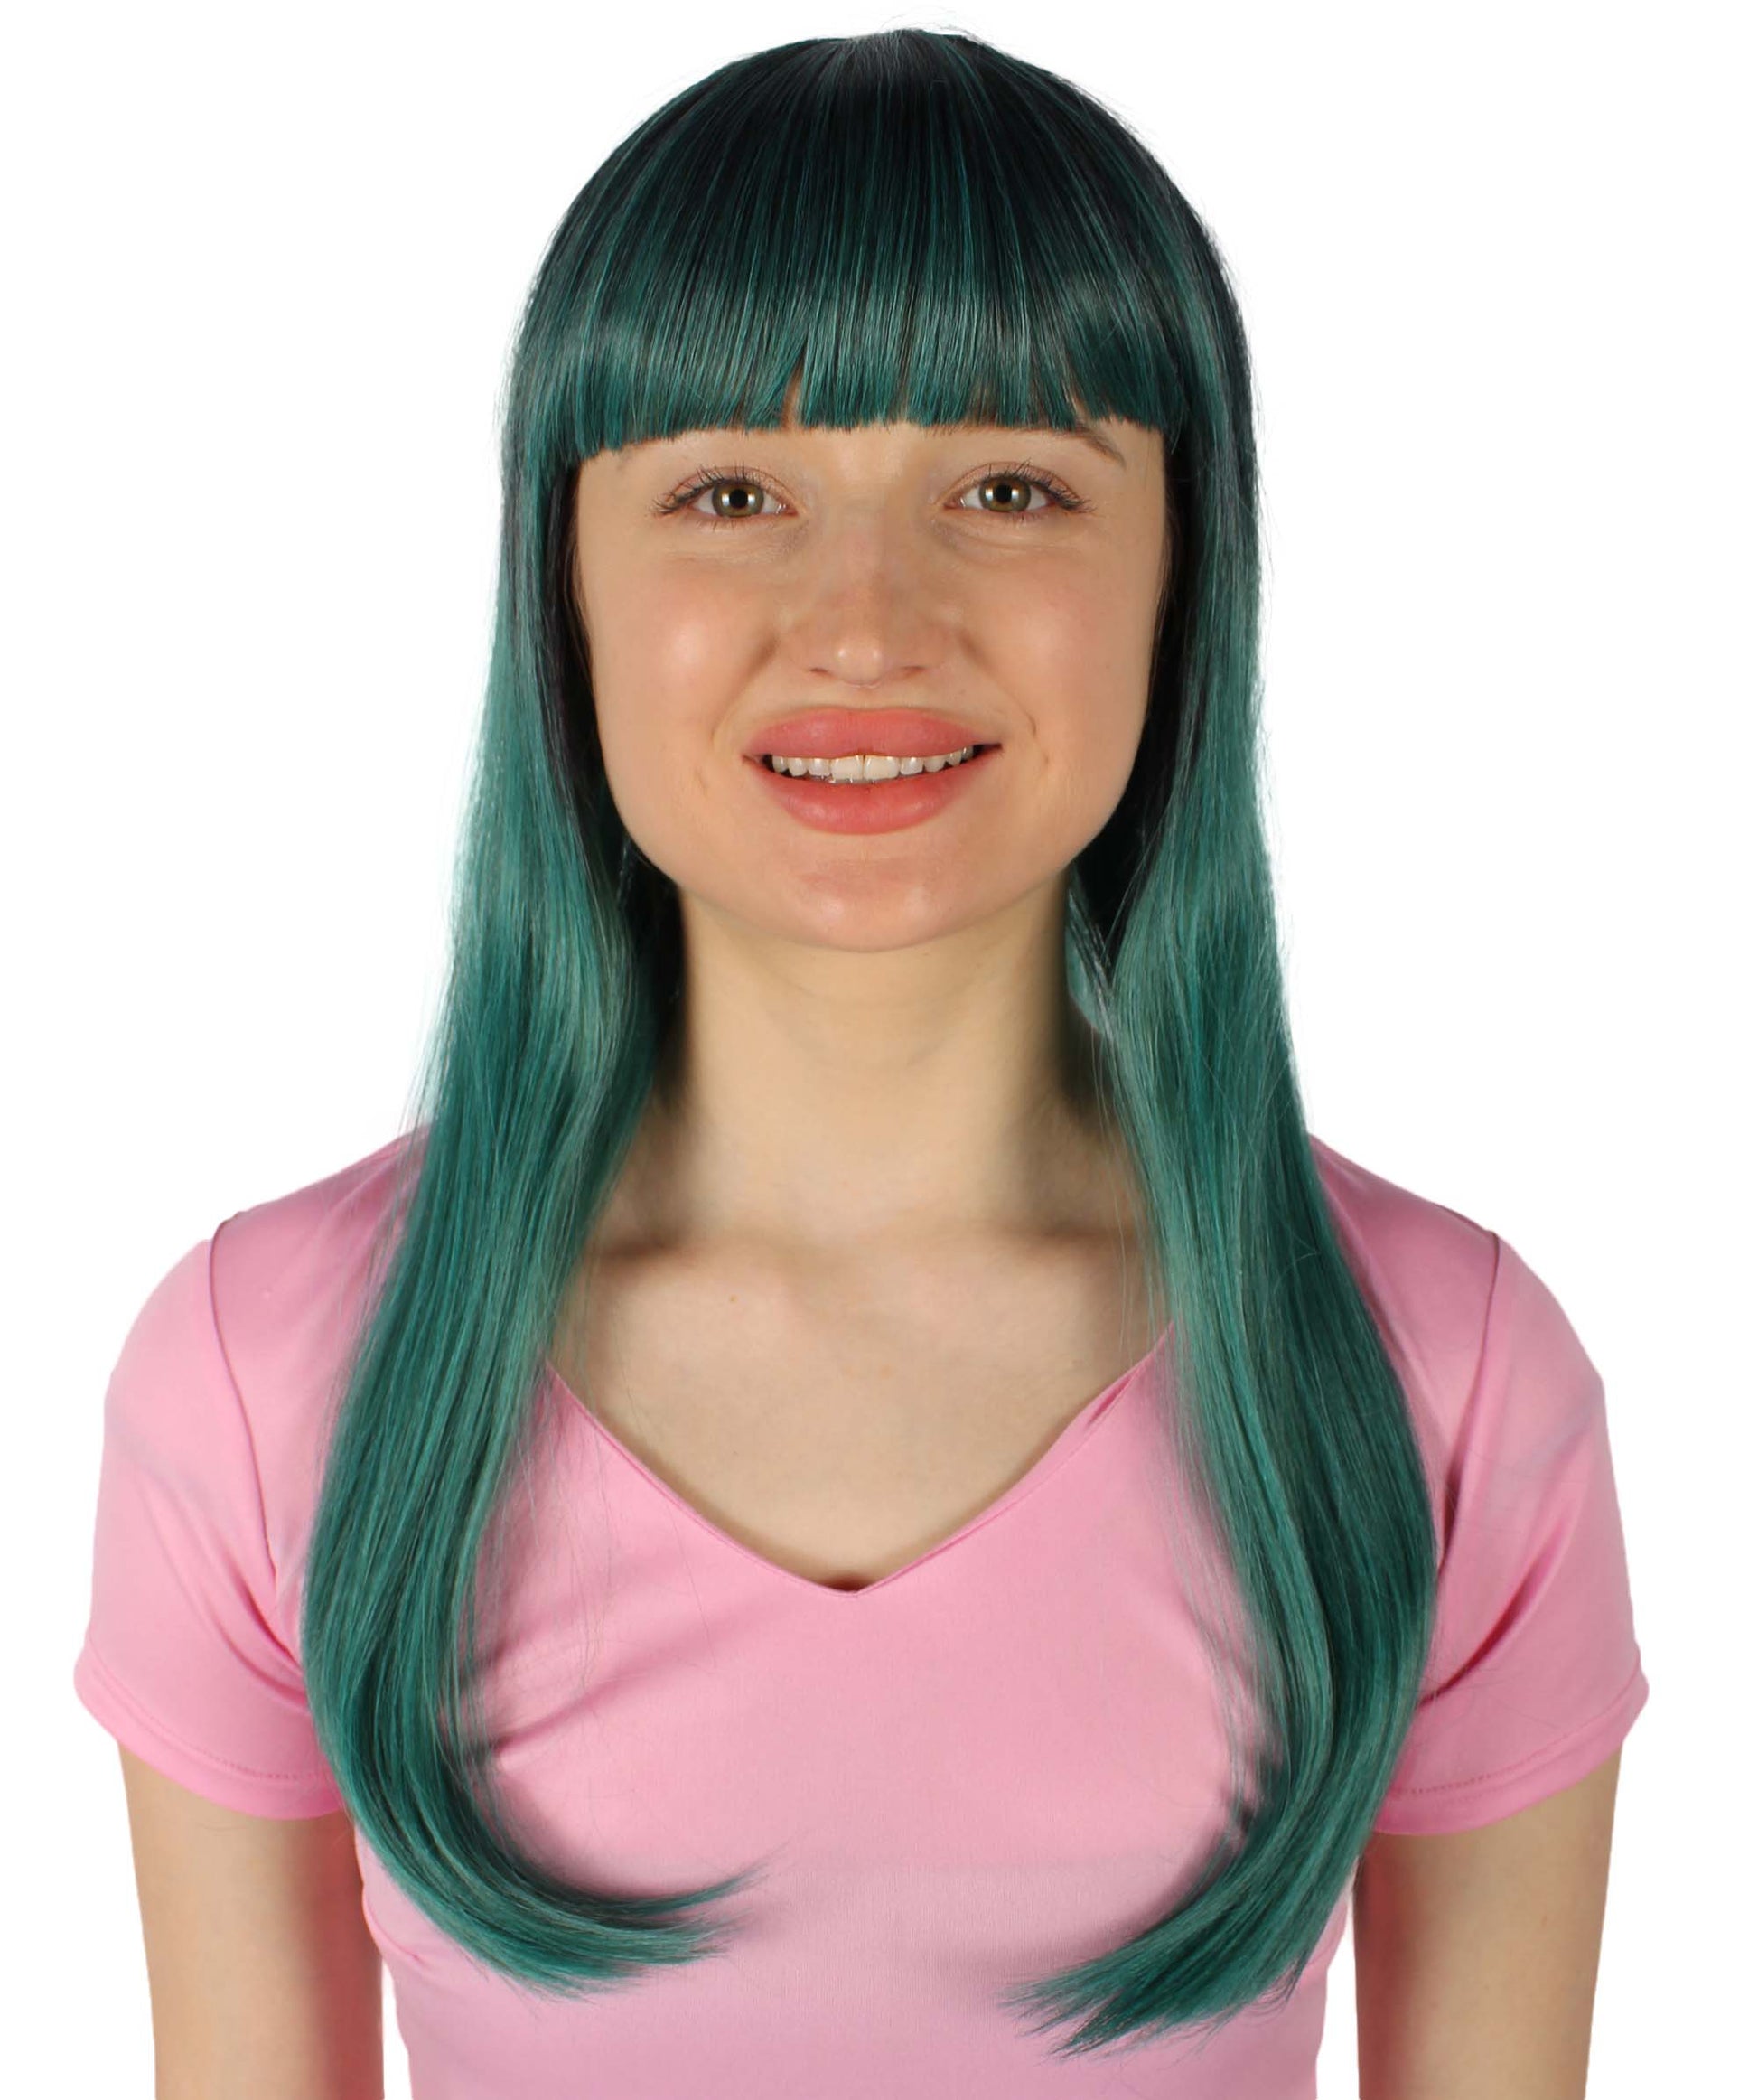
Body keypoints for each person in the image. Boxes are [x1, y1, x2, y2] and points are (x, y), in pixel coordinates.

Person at [72, 27, 1649, 2095]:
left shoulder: (1439, 1378)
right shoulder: (267, 1375)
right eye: (731, 491)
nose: (866, 621)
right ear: (562, 584)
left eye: (1008, 487)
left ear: (1182, 576)